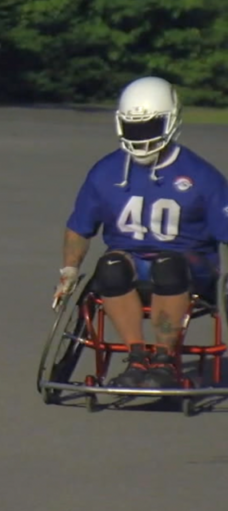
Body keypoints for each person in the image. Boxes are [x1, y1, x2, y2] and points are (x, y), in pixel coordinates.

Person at [53, 76, 228, 389]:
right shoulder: (106, 171)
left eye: (150, 128)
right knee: (110, 266)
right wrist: (69, 270)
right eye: (135, 129)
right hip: (131, 258)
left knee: (168, 265)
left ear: (171, 123)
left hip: (192, 264)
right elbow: (79, 227)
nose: (142, 138)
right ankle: (137, 357)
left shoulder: (202, 176)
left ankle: (163, 361)